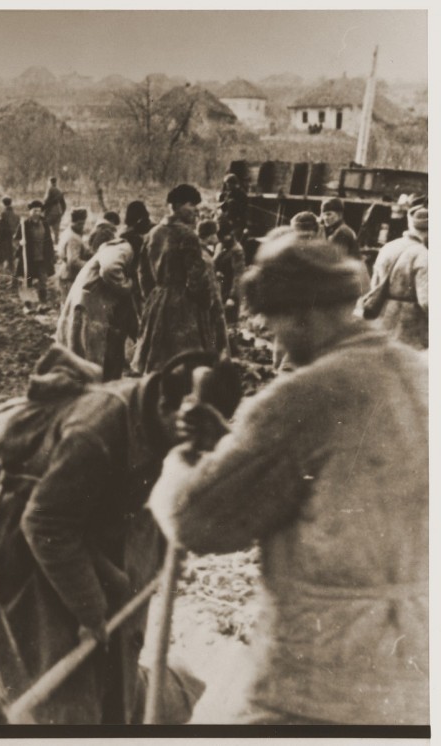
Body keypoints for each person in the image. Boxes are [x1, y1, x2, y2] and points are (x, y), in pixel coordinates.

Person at [148, 231, 427, 725]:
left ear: (303, 313)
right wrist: (229, 444)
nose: (275, 339)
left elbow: (198, 520)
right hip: (416, 680)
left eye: (277, 322)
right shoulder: (420, 375)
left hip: (315, 681)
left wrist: (184, 464)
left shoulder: (306, 396)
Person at [0, 345, 240, 724]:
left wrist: (159, 555)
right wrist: (90, 610)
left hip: (93, 533)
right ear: (168, 407)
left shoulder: (158, 418)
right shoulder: (95, 433)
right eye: (189, 430)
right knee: (58, 693)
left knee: (114, 674)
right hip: (30, 547)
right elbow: (45, 523)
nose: (191, 441)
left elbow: (160, 490)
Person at [132, 184, 228, 373]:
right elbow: (197, 277)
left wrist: (153, 297)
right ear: (175, 205)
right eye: (190, 204)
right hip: (184, 305)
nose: (195, 210)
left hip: (157, 303)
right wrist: (205, 303)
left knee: (158, 362)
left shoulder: (153, 233)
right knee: (186, 362)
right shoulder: (187, 235)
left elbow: (143, 274)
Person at [55, 231, 137, 381]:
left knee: (90, 355)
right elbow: (109, 269)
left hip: (90, 303)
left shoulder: (115, 249)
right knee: (93, 358)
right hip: (91, 305)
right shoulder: (125, 248)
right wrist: (128, 285)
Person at [359, 207, 428, 350]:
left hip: (382, 318)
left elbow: (375, 284)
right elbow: (426, 301)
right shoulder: (423, 255)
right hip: (409, 327)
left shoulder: (388, 247)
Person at [14, 200, 56, 309]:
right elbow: (15, 240)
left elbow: (49, 240)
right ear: (30, 211)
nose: (37, 213)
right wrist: (20, 242)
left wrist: (52, 254)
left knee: (43, 281)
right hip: (29, 259)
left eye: (39, 211)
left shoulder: (45, 223)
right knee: (27, 281)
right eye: (34, 210)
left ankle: (42, 304)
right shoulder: (24, 224)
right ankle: (27, 306)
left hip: (42, 257)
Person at [212, 223, 246, 324]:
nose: (220, 239)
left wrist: (233, 297)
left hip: (229, 290)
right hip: (219, 288)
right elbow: (215, 264)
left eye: (222, 237)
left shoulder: (237, 251)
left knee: (227, 324)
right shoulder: (220, 246)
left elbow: (238, 275)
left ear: (230, 235)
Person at [56, 208, 91, 304]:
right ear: (75, 222)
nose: (82, 226)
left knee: (66, 306)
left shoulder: (68, 232)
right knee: (71, 307)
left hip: (66, 276)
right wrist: (90, 265)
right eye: (81, 224)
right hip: (70, 277)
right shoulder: (73, 238)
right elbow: (73, 261)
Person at [0, 196, 19, 277]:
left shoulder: (3, 214)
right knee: (10, 260)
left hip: (2, 242)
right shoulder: (16, 216)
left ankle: (1, 278)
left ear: (3, 204)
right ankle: (11, 277)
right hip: (11, 241)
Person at [217, 173, 248, 242]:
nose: (227, 186)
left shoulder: (241, 193)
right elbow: (221, 204)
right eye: (226, 184)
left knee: (234, 239)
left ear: (234, 183)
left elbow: (243, 208)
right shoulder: (226, 193)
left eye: (229, 184)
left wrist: (231, 203)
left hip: (237, 220)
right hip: (226, 218)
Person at [42, 176, 66, 243]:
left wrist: (42, 209)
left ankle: (47, 243)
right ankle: (56, 243)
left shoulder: (50, 189)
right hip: (58, 212)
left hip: (50, 212)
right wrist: (62, 213)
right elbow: (64, 204)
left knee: (44, 227)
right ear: (56, 182)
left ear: (49, 182)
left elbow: (46, 201)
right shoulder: (59, 191)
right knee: (56, 231)